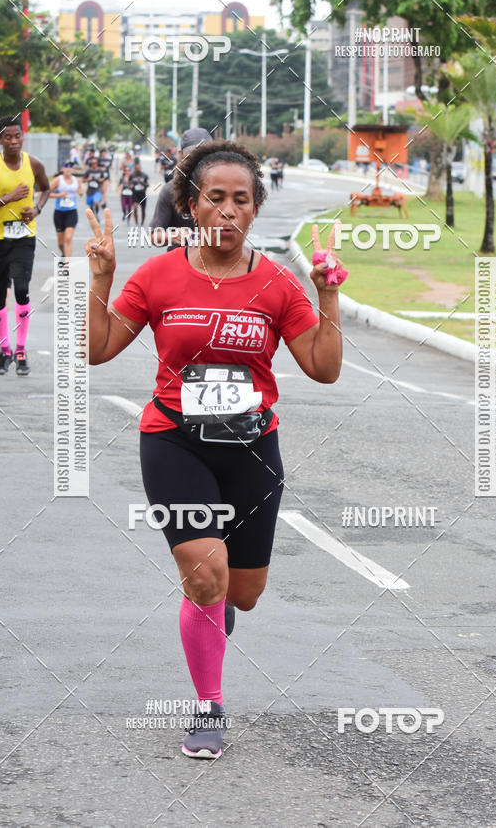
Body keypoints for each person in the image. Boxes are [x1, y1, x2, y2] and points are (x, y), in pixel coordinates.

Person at [84, 139, 345, 759]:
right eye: (216, 198)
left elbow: (324, 369)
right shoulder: (158, 275)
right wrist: (101, 278)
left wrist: (328, 295)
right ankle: (208, 706)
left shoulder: (277, 283)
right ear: (191, 205)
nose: (229, 210)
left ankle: (213, 615)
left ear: (255, 208)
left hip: (252, 448)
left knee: (241, 593)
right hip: (174, 440)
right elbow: (98, 350)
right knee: (205, 576)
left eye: (242, 199)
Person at [0, 115, 50, 375]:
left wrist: (36, 210)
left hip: (23, 237)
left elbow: (45, 189)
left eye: (18, 136)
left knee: (22, 290)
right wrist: (8, 198)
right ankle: (4, 351)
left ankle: (21, 350)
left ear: (23, 137)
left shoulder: (34, 164)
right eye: (8, 137)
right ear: (0, 140)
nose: (13, 141)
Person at [149, 128, 211, 248]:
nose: (199, 160)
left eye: (206, 155)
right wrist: (172, 235)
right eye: (193, 155)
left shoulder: (225, 189)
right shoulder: (170, 190)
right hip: (181, 256)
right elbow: (154, 236)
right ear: (180, 155)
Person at [49, 161, 83, 258]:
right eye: (66, 166)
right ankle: (64, 254)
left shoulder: (77, 180)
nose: (68, 168)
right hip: (59, 213)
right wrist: (59, 195)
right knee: (60, 243)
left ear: (73, 169)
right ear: (62, 169)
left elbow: (80, 190)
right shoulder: (57, 180)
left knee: (68, 238)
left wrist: (80, 192)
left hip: (71, 212)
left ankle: (68, 262)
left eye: (71, 166)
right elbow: (46, 194)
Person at [131, 160, 150, 224]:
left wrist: (141, 182)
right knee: (135, 208)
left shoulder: (144, 175)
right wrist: (130, 186)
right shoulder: (132, 175)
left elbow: (148, 184)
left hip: (142, 194)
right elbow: (129, 183)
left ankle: (142, 222)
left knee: (143, 209)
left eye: (139, 168)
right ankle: (136, 222)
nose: (138, 169)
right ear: (135, 169)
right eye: (137, 168)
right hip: (135, 194)